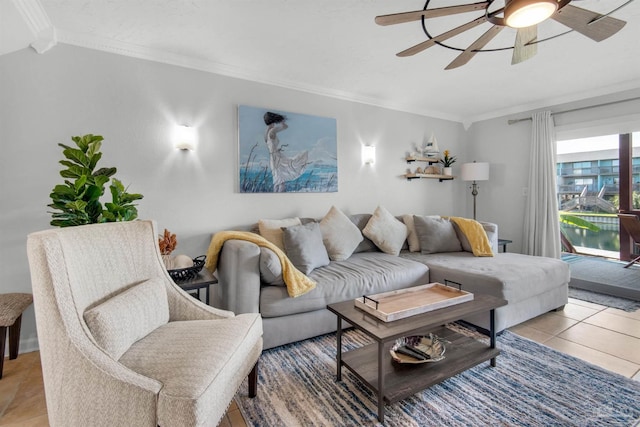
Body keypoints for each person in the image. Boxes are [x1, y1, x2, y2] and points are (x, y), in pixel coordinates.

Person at [263, 112, 309, 192]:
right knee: (281, 181)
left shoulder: (266, 132)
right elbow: (285, 127)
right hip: (277, 158)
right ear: (272, 121)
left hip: (272, 158)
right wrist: (282, 121)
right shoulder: (272, 131)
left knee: (277, 181)